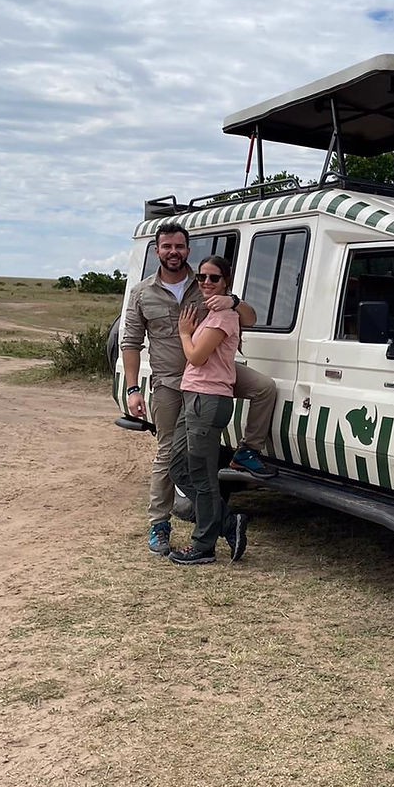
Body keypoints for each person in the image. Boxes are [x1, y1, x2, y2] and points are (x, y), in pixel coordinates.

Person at [120, 222, 277, 556]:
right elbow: (130, 342)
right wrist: (133, 389)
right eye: (166, 246)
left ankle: (248, 450)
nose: (173, 252)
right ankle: (160, 524)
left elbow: (249, 317)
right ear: (157, 250)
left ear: (187, 250)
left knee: (263, 387)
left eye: (179, 246)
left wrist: (233, 301)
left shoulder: (204, 284)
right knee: (169, 454)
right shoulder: (142, 293)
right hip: (171, 382)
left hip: (210, 373)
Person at [167, 256, 248, 565]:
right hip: (194, 398)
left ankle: (204, 546)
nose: (206, 282)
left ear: (225, 281)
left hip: (209, 399)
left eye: (213, 277)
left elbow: (197, 358)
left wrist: (184, 333)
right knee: (179, 466)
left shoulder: (225, 316)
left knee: (202, 475)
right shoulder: (211, 313)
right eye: (201, 277)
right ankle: (228, 522)